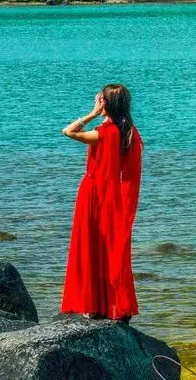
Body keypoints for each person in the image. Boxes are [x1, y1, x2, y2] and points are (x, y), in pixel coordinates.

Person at [60, 82, 143, 321]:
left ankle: (94, 306)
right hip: (115, 197)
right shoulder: (130, 133)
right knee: (113, 250)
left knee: (90, 248)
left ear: (104, 104)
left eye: (101, 100)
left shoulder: (103, 134)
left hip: (93, 194)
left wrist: (92, 113)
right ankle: (116, 305)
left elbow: (69, 131)